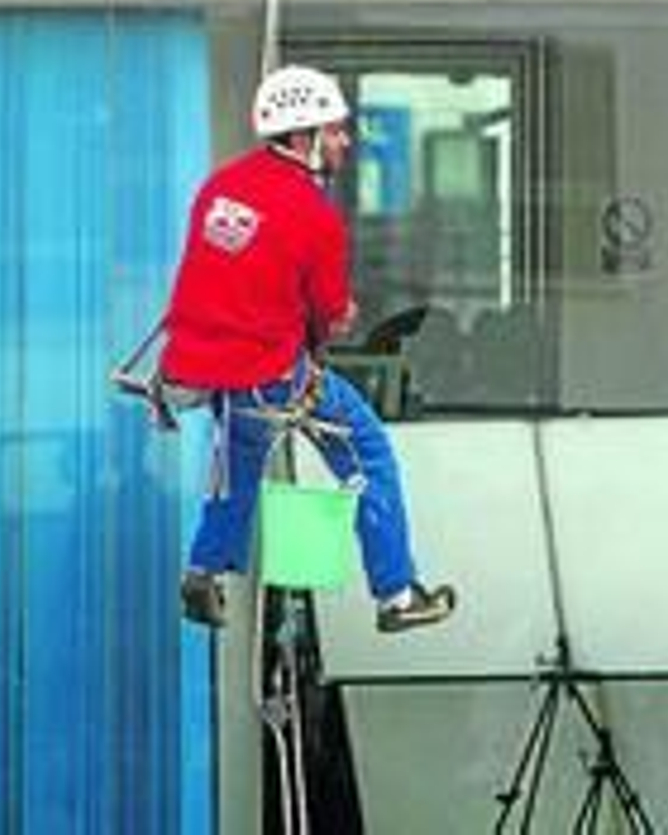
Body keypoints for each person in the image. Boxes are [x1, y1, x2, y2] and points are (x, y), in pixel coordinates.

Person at [159, 63, 456, 634]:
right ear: (303, 137)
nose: (345, 141)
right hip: (271, 370)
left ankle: (203, 571)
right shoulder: (311, 212)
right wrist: (336, 319)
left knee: (239, 464)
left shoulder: (220, 186)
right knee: (367, 451)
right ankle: (396, 594)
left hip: (209, 369)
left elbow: (224, 272)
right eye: (335, 130)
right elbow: (329, 312)